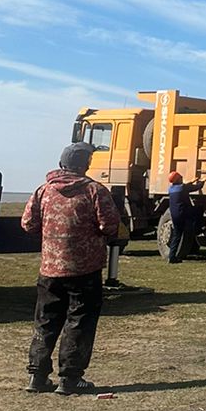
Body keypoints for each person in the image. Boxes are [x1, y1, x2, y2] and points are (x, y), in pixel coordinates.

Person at [21, 142, 121, 395]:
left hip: (50, 270)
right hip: (84, 270)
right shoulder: (94, 191)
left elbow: (28, 224)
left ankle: (37, 376)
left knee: (45, 321)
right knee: (80, 322)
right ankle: (70, 379)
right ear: (85, 164)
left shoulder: (43, 191)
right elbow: (110, 225)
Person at [167, 171, 200, 263]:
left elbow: (184, 186)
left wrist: (191, 181)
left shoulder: (171, 189)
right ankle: (197, 233)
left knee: (176, 235)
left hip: (174, 215)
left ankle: (172, 256)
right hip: (183, 214)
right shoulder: (182, 188)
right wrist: (202, 181)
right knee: (198, 212)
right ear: (178, 179)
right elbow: (197, 187)